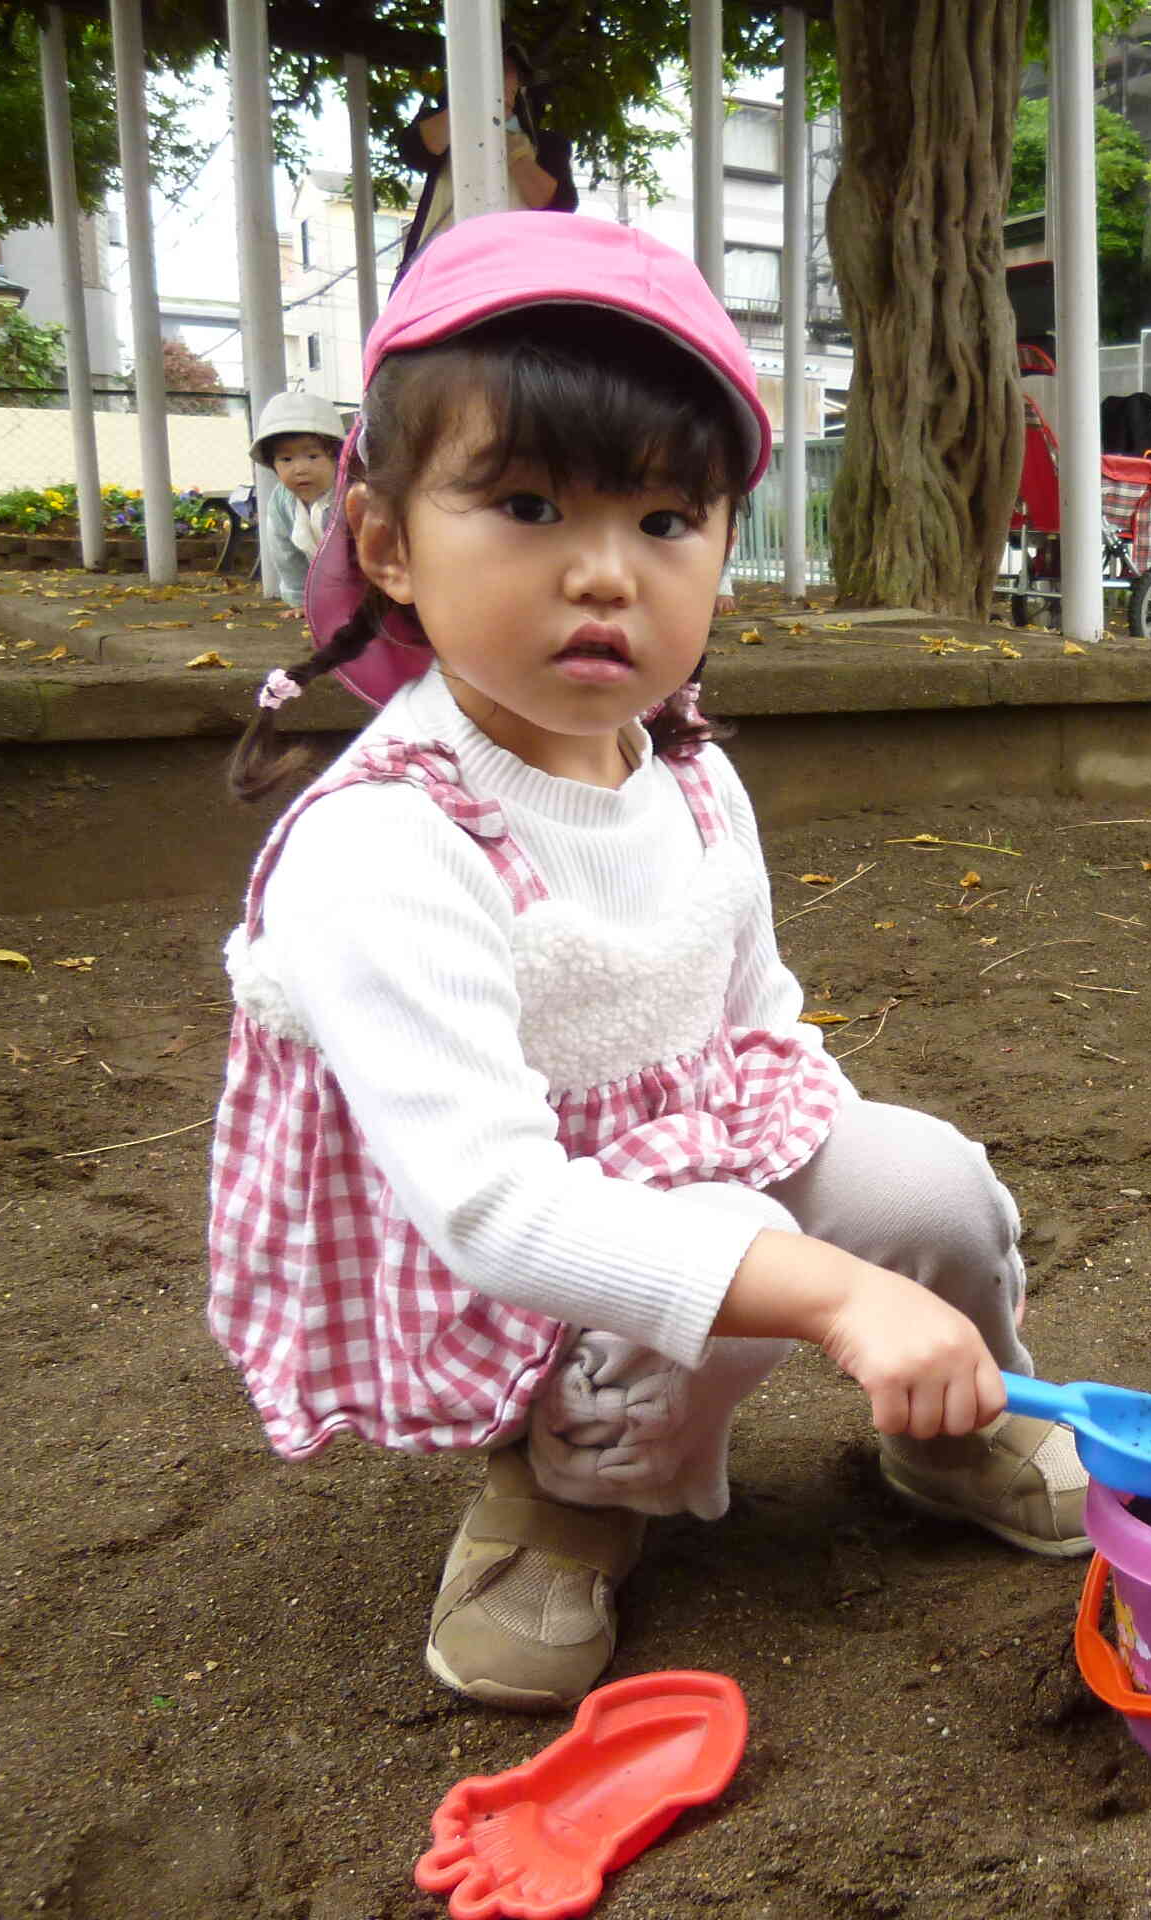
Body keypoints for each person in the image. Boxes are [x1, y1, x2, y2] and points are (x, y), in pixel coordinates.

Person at [206, 212, 1087, 1715]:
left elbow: (760, 1022)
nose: (606, 575)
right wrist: (817, 1289)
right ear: (385, 540)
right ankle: (577, 1485)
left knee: (923, 1181)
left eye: (667, 522)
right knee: (722, 1246)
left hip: (694, 1153)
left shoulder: (683, 776)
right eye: (532, 505)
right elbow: (493, 1207)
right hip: (502, 1244)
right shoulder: (387, 845)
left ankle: (950, 1414)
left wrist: (864, 1233)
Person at [393, 42, 576, 280]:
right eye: (497, 71)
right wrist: (471, 107)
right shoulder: (444, 129)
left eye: (512, 75)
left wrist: (510, 148)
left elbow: (559, 204)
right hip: (442, 276)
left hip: (518, 276)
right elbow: (413, 149)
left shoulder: (547, 145)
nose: (507, 82)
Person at [248, 390, 346, 611]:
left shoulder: (352, 494)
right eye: (286, 459)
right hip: (328, 585)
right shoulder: (282, 501)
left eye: (313, 456)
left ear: (337, 456)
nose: (300, 469)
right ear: (272, 464)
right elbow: (285, 554)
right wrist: (301, 600)